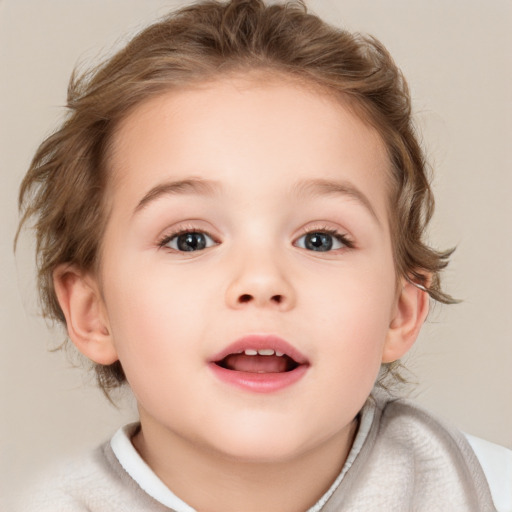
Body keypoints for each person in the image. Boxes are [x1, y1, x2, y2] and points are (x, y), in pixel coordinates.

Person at [15, 0, 511, 510]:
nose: (261, 280)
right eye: (190, 239)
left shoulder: (484, 489)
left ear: (401, 309)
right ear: (92, 312)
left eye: (321, 239)